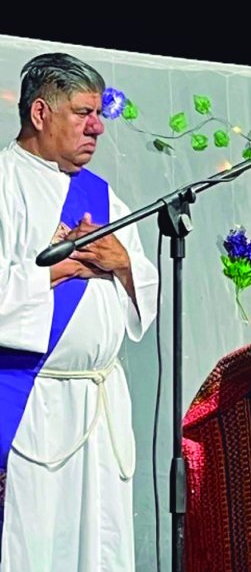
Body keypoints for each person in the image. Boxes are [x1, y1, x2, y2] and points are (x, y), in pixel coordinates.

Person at [0, 53, 158, 570]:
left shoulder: (102, 195)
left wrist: (123, 264)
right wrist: (58, 269)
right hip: (34, 402)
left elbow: (145, 285)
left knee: (100, 548)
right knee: (35, 542)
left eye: (98, 114)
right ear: (40, 113)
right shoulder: (5, 182)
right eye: (83, 113)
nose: (98, 127)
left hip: (100, 400)